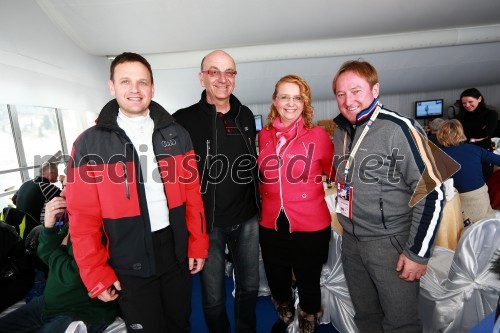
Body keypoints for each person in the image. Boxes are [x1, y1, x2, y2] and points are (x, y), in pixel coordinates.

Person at [65, 52, 209, 333]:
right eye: (126, 81)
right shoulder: (88, 143)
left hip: (175, 254)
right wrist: (95, 273)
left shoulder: (177, 134)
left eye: (142, 82)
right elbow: (82, 219)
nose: (135, 89)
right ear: (112, 86)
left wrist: (198, 243)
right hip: (127, 259)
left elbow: (193, 195)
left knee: (179, 324)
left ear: (152, 88)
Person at [331, 60, 444, 333]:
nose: (348, 100)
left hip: (390, 244)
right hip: (352, 243)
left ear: (375, 89)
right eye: (341, 94)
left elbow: (432, 190)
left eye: (356, 90)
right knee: (366, 316)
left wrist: (418, 253)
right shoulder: (340, 131)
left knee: (400, 322)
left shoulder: (399, 128)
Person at [173, 50, 260, 333]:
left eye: (229, 72)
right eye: (214, 71)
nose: (223, 79)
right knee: (212, 298)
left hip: (246, 219)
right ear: (202, 78)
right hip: (206, 225)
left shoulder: (245, 114)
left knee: (248, 289)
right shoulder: (182, 120)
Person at [257, 75, 335, 333]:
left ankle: (309, 315)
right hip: (271, 221)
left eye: (297, 97)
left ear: (305, 102)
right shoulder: (264, 136)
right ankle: (285, 309)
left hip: (310, 221)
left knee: (308, 279)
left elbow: (335, 173)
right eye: (284, 96)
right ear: (274, 101)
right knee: (276, 278)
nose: (290, 103)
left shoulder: (318, 135)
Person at [0, 179, 118, 333]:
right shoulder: (74, 221)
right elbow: (43, 253)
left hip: (80, 312)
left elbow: (73, 275)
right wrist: (49, 227)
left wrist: (54, 250)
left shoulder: (103, 227)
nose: (61, 193)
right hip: (48, 304)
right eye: (63, 186)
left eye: (68, 187)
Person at [437, 119, 500, 223]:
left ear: (440, 135)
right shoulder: (475, 149)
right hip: (481, 197)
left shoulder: (437, 155)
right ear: (461, 133)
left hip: (459, 202)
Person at [458, 88, 498, 180]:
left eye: (470, 101)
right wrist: (473, 138)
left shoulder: (491, 114)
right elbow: (457, 136)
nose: (467, 105)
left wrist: (468, 137)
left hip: (483, 153)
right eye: (464, 103)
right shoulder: (461, 117)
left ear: (479, 99)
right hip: (466, 154)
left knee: (485, 180)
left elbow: (486, 133)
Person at [15, 162, 61, 227]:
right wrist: (63, 181)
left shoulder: (25, 184)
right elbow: (67, 200)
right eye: (56, 173)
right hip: (38, 228)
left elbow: (14, 199)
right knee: (65, 223)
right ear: (50, 174)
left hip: (20, 225)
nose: (58, 175)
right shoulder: (47, 187)